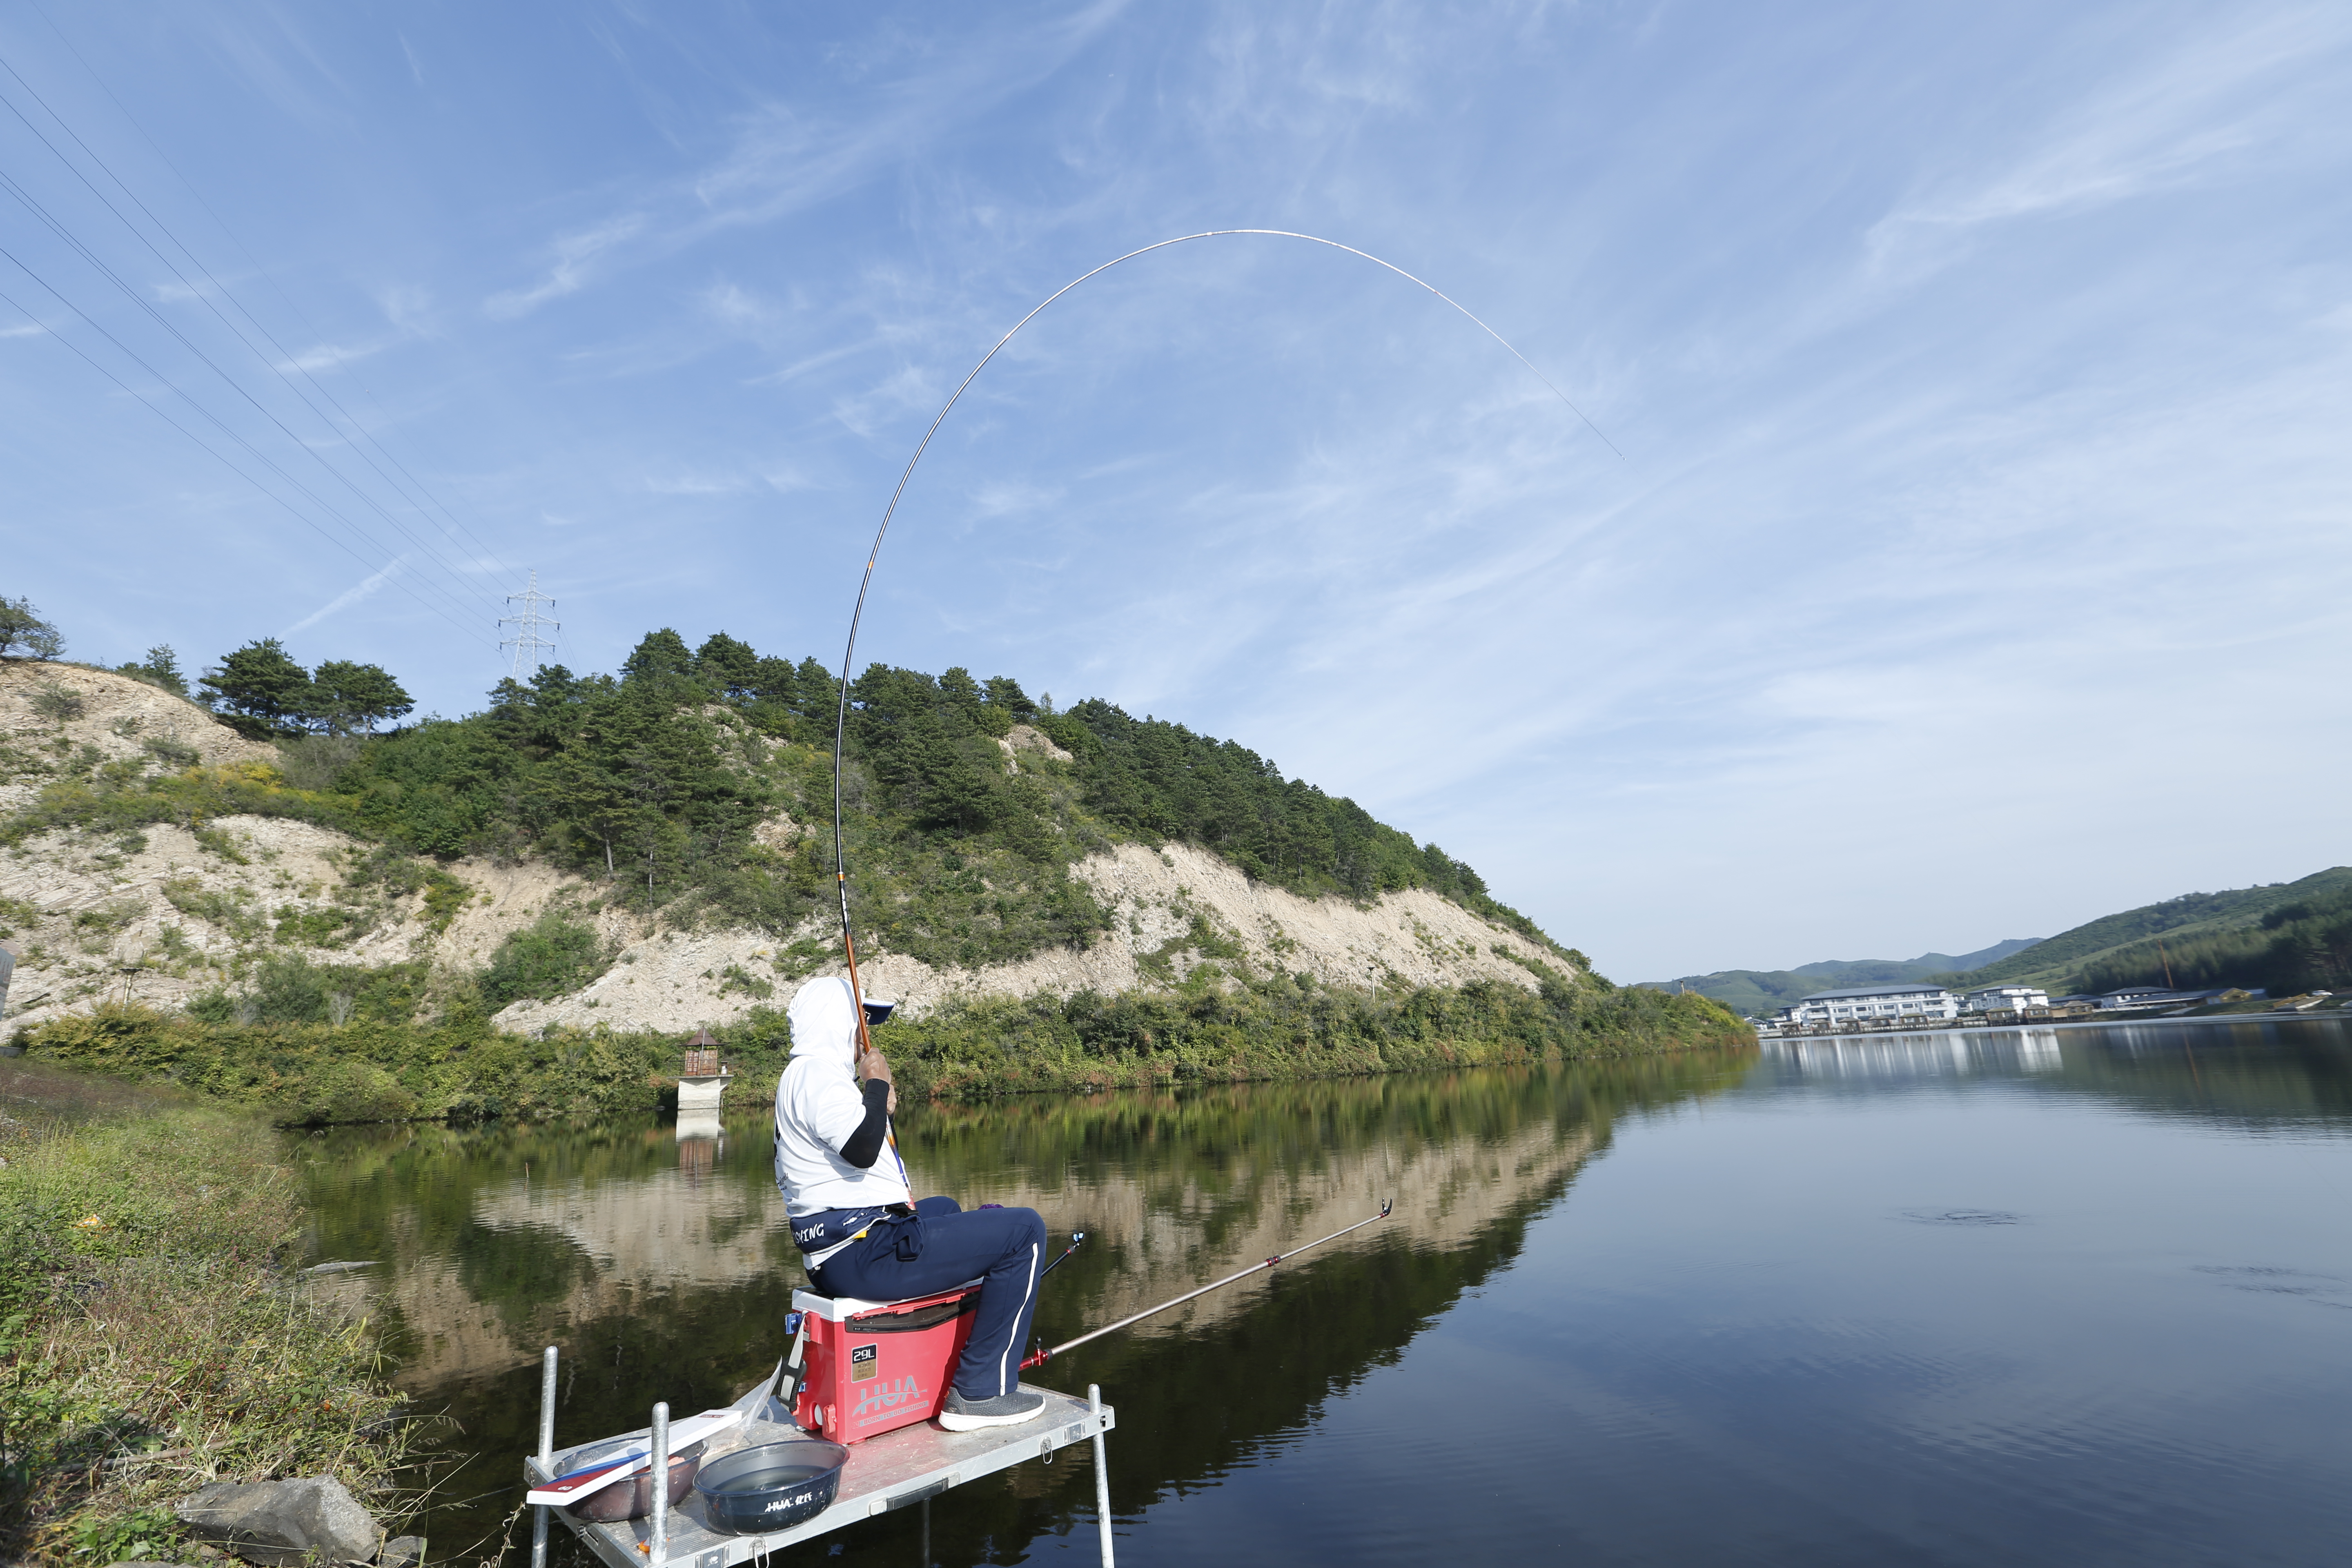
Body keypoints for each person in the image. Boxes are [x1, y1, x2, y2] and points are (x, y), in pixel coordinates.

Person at [772, 974, 1051, 1430]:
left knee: (943, 1207)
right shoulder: (818, 1075)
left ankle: (953, 1352)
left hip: (841, 1253)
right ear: (838, 1019)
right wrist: (877, 1086)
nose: (865, 1033)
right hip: (865, 1255)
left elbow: (848, 1157)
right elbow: (862, 1150)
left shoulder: (803, 1076)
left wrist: (879, 1106)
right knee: (1025, 1233)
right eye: (862, 1019)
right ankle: (980, 1392)